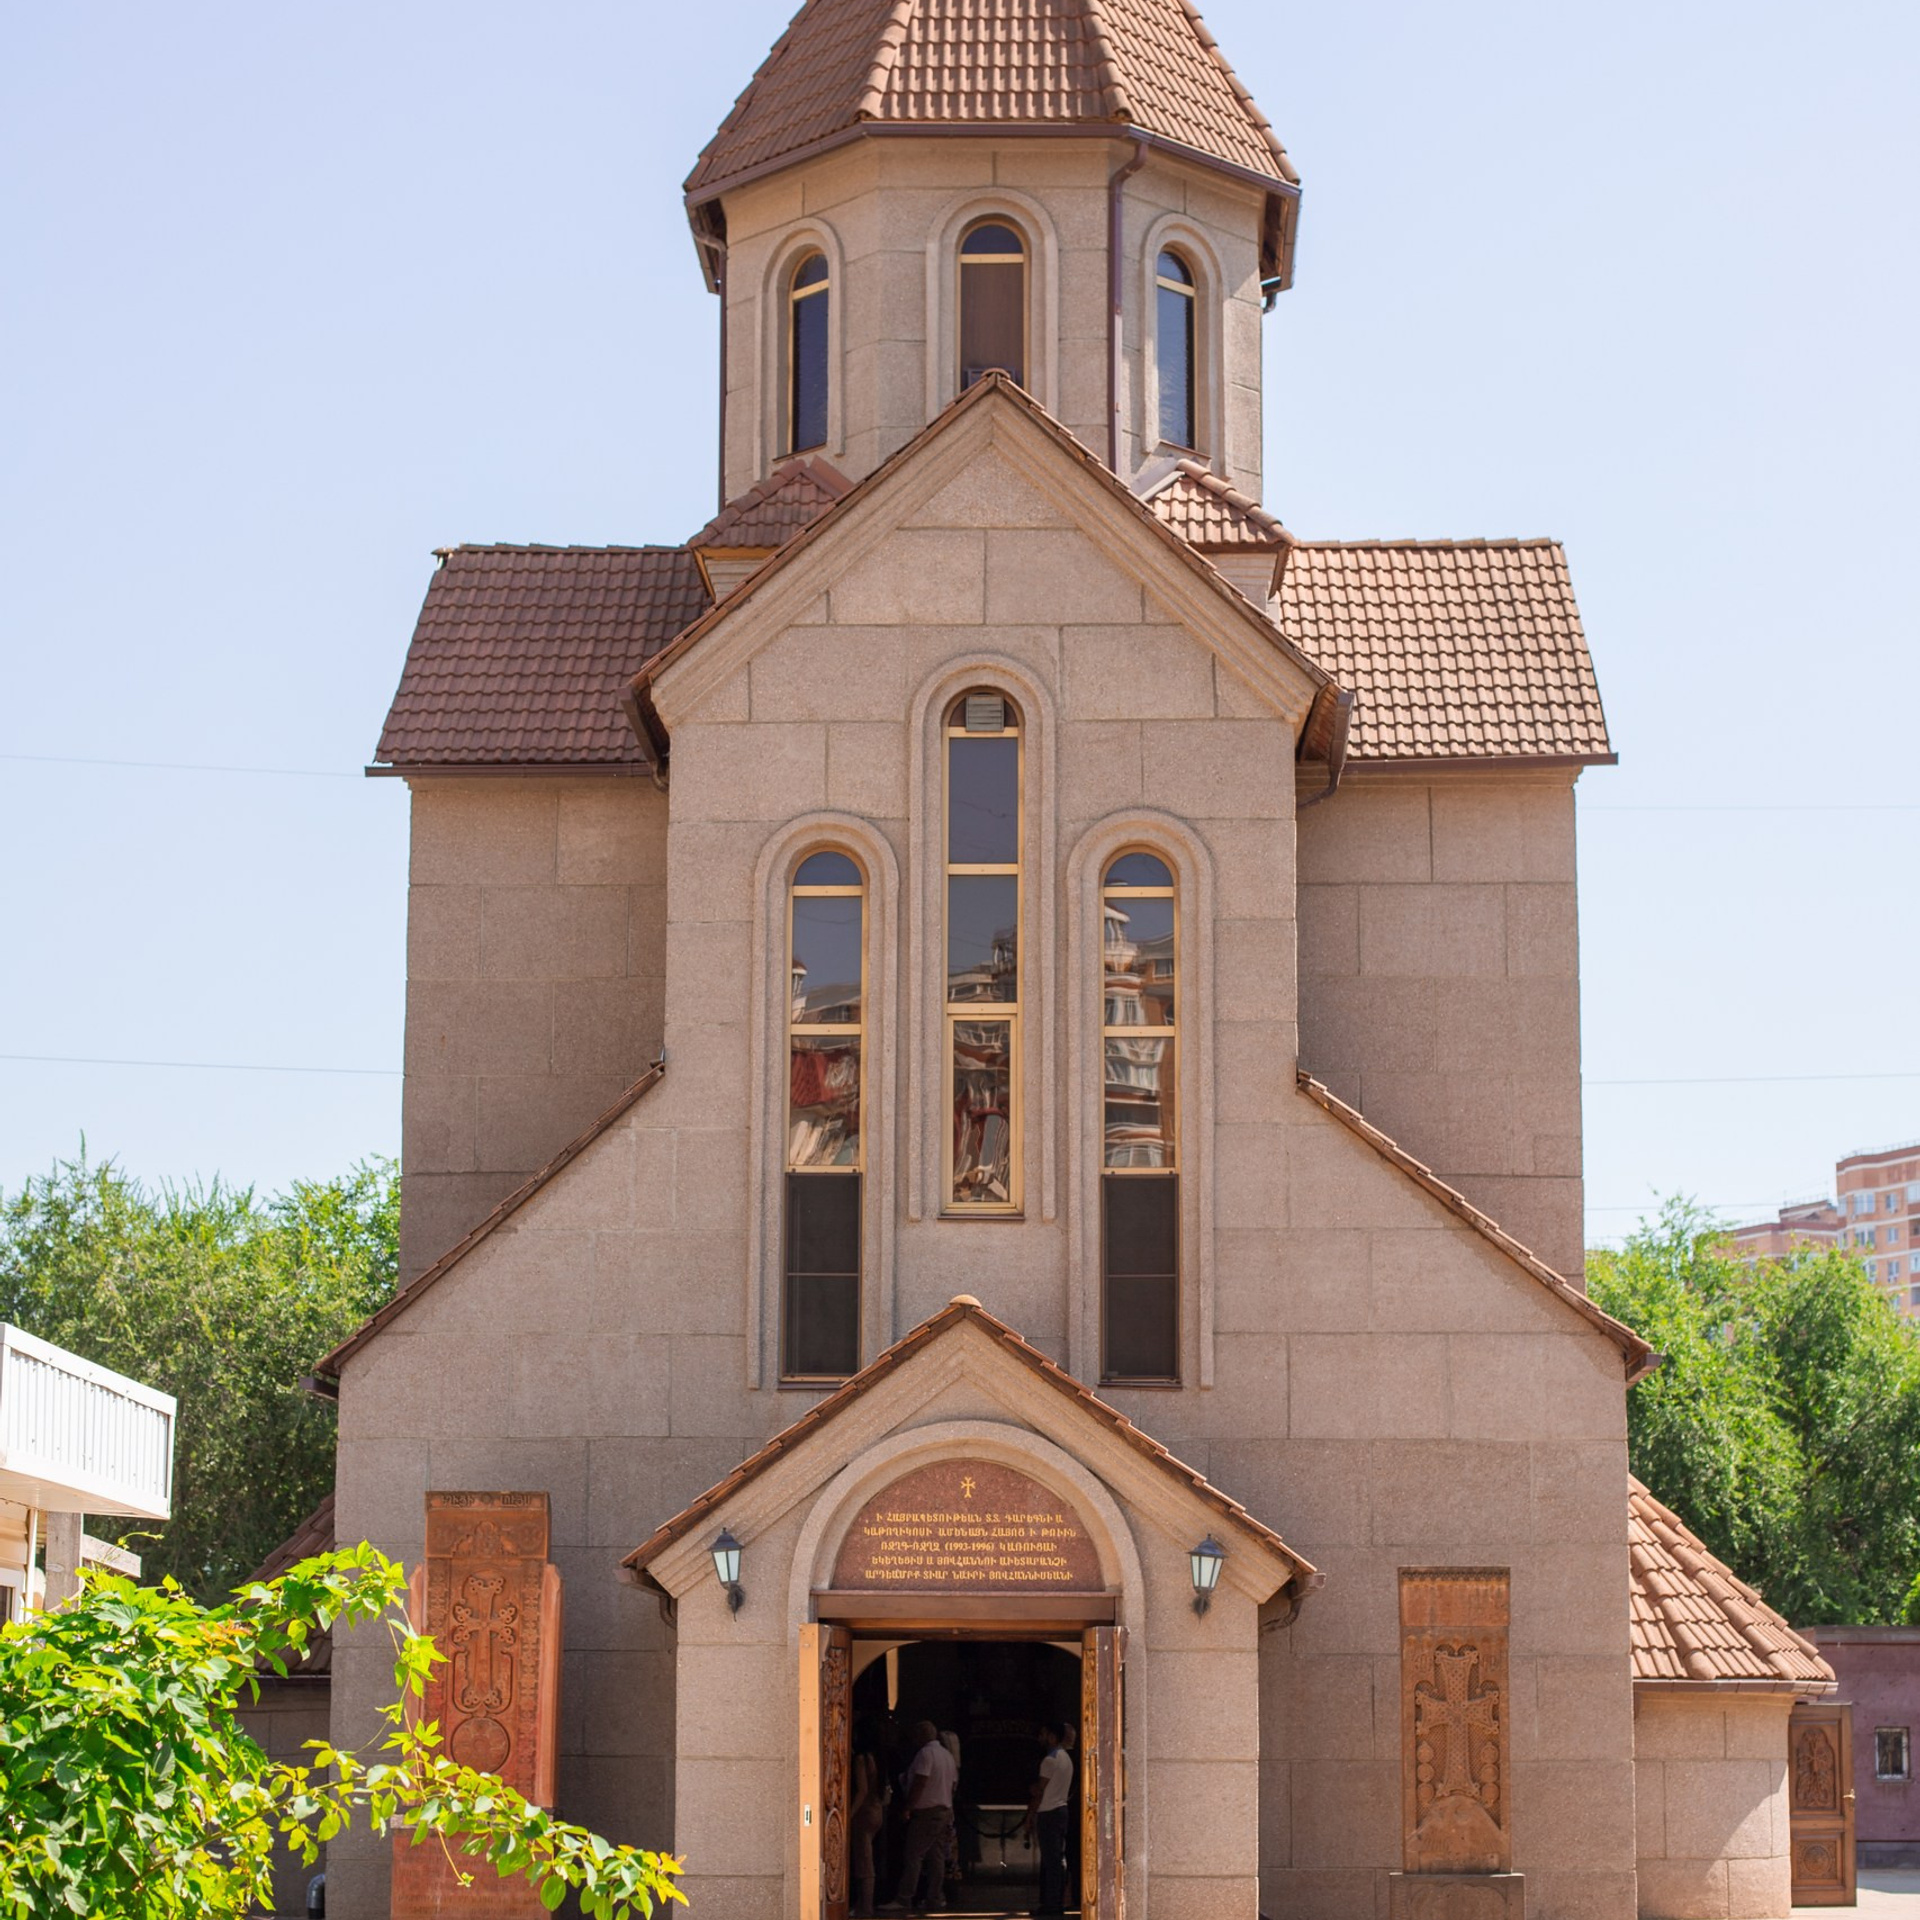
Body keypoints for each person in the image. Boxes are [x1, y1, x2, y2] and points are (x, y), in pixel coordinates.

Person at [878, 1719, 957, 1914]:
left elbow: (921, 1781)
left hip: (927, 1813)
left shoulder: (925, 1754)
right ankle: (935, 1898)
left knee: (914, 1855)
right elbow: (953, 1784)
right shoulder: (947, 1755)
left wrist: (908, 1807)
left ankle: (904, 1898)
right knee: (936, 1857)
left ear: (921, 1735)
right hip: (943, 1810)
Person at [1023, 1721, 1073, 1916]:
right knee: (1056, 1859)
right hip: (1061, 1809)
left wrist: (1030, 1815)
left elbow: (1040, 1791)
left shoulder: (1049, 1760)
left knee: (1051, 1861)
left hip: (1049, 1813)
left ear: (1052, 1736)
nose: (1040, 1738)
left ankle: (1052, 1905)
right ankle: (1054, 1901)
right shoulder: (1066, 1758)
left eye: (1043, 1734)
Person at [849, 1721, 887, 1918]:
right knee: (867, 1858)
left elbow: (862, 1790)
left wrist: (849, 1814)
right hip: (877, 1810)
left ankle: (866, 1907)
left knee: (864, 1863)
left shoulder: (862, 1759)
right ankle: (862, 1903)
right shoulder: (878, 1758)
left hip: (864, 1813)